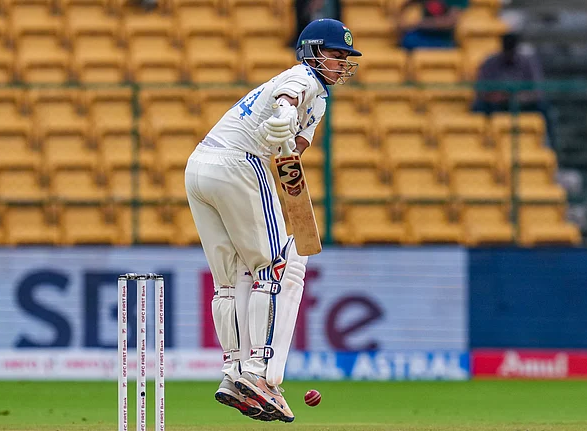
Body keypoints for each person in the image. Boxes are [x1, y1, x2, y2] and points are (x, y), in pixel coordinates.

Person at [184, 19, 361, 423]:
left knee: (230, 278)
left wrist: (284, 133)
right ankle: (260, 373)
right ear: (312, 51)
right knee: (277, 266)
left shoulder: (319, 99)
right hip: (238, 163)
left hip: (199, 166)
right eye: (335, 55)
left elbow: (292, 151)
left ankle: (233, 373)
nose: (341, 63)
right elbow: (288, 95)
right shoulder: (303, 77)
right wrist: (282, 113)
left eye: (345, 57)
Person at [472, 33, 555, 146]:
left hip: (522, 104)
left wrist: (517, 97)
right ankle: (482, 145)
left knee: (543, 107)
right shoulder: (490, 63)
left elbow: (537, 91)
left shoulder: (527, 63)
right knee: (478, 107)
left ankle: (549, 146)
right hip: (496, 104)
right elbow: (481, 90)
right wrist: (495, 96)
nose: (509, 53)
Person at [396, 0, 460, 50]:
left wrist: (418, 24)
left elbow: (449, 23)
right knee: (407, 40)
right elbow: (404, 7)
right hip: (421, 36)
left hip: (445, 40)